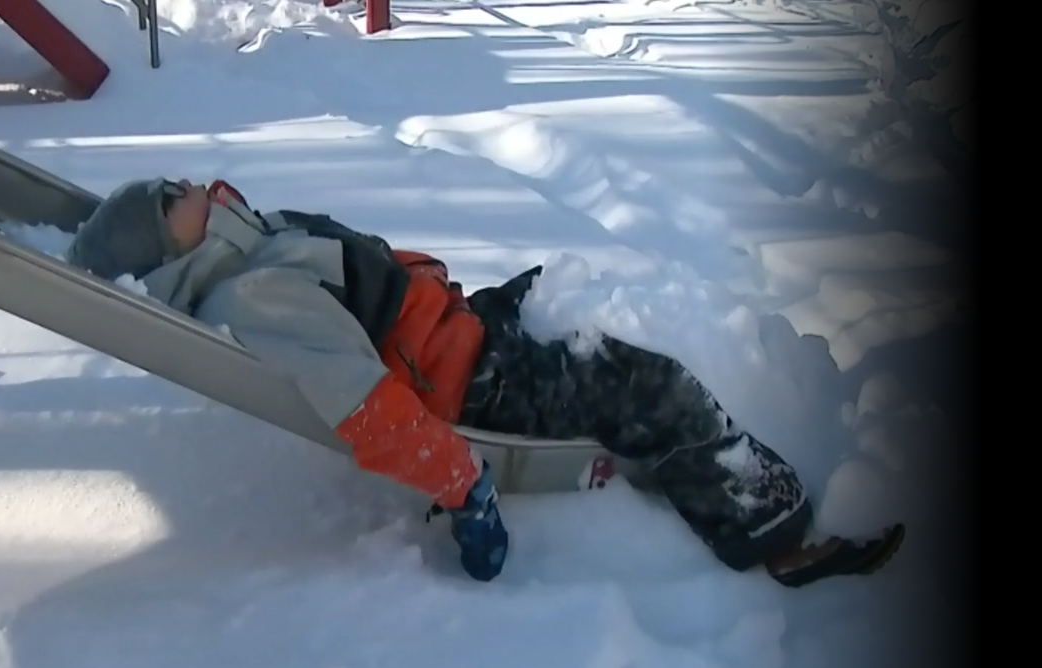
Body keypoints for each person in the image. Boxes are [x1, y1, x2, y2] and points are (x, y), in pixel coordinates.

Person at [65, 177, 906, 586]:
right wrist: (465, 488)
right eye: (167, 201)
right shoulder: (258, 293)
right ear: (169, 252)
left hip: (461, 328)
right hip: (478, 383)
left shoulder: (242, 241)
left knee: (578, 293)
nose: (185, 188)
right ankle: (780, 543)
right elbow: (367, 408)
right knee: (658, 386)